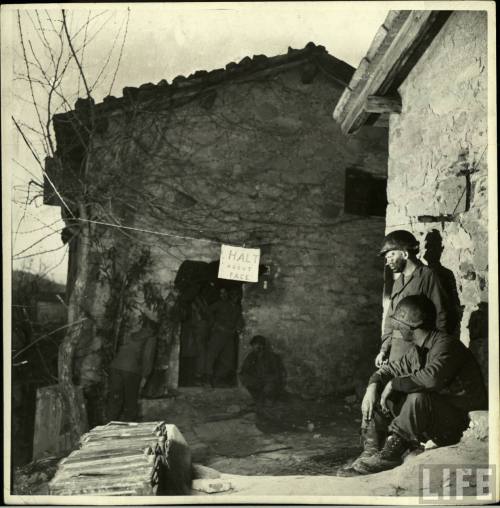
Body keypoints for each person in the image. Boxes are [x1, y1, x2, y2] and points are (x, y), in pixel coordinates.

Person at [339, 295, 487, 476]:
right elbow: (389, 370)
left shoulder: (446, 345)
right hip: (434, 417)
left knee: (418, 397)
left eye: (399, 321)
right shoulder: (418, 350)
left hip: (455, 422)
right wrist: (373, 387)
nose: (396, 326)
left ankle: (390, 455)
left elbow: (431, 379)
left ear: (412, 325)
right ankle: (371, 451)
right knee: (382, 393)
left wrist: (394, 384)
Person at [376, 230, 450, 366]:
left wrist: (435, 351)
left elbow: (442, 315)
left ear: (405, 254)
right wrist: (384, 349)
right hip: (396, 353)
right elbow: (389, 318)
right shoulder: (398, 282)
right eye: (386, 258)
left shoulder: (427, 276)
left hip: (418, 352)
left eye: (391, 255)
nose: (388, 262)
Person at [107, 312, 157, 421]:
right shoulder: (151, 337)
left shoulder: (132, 334)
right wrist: (145, 376)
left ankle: (108, 426)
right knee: (131, 402)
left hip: (115, 367)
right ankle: (130, 429)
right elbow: (147, 358)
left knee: (115, 399)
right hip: (131, 370)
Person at [207, 288, 244, 387]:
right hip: (218, 334)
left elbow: (240, 319)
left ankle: (218, 378)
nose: (236, 298)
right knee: (211, 355)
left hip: (230, 336)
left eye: (237, 296)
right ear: (230, 296)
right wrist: (215, 324)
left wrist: (239, 327)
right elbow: (207, 312)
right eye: (234, 295)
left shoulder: (237, 308)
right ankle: (206, 379)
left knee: (228, 359)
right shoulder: (220, 304)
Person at [239, 335, 286, 404]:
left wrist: (268, 380)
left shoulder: (272, 357)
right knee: (245, 379)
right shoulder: (251, 356)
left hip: (269, 381)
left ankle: (269, 398)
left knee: (269, 389)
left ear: (262, 345)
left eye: (257, 345)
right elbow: (244, 369)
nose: (254, 347)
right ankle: (258, 397)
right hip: (258, 380)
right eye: (253, 345)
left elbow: (278, 373)